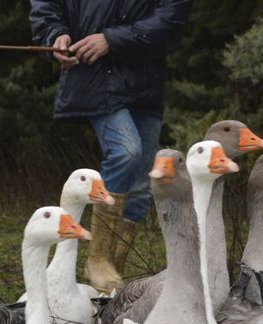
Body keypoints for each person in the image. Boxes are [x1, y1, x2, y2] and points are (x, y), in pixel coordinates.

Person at [30, 0, 192, 292]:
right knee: (126, 153)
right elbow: (46, 7)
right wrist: (54, 35)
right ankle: (98, 259)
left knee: (141, 189)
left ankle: (109, 288)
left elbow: (171, 18)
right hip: (94, 77)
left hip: (145, 83)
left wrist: (111, 40)